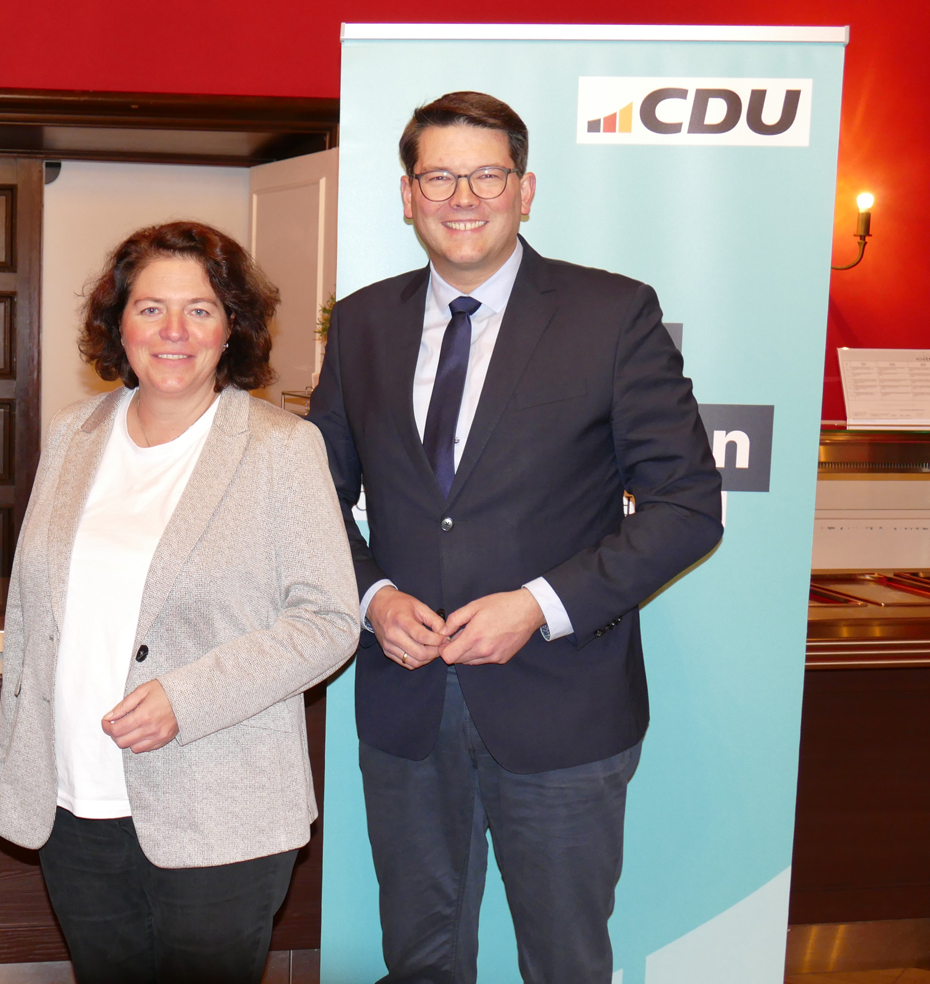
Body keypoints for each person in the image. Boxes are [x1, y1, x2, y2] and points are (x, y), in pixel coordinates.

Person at [307, 92, 724, 984]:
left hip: (563, 709)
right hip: (405, 703)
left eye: (487, 174)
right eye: (440, 176)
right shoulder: (363, 324)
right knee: (419, 961)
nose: (464, 196)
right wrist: (371, 597)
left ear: (525, 189)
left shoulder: (611, 315)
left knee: (565, 965)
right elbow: (314, 502)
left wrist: (540, 606)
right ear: (408, 195)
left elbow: (688, 503)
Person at [0, 221, 359, 984]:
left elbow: (328, 621)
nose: (174, 332)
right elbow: (31, 617)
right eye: (151, 308)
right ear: (118, 323)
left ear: (232, 329)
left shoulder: (282, 448)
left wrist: (184, 698)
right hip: (73, 801)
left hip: (220, 806)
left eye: (200, 309)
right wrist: (12, 756)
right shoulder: (72, 436)